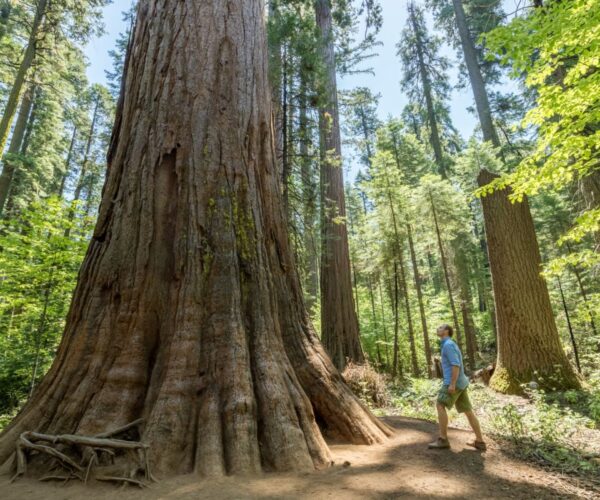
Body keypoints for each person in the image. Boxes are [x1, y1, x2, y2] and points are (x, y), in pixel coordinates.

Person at [428, 324, 486, 451]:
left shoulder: (448, 345)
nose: (438, 328)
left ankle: (443, 440)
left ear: (447, 331)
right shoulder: (447, 344)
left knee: (440, 405)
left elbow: (455, 365)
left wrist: (452, 384)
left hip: (454, 383)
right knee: (468, 411)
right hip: (461, 382)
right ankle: (480, 442)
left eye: (441, 327)